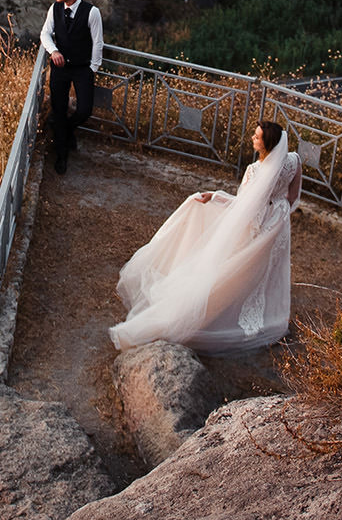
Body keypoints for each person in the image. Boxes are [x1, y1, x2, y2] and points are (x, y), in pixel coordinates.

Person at [109, 117, 303, 353]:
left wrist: (217, 197)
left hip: (260, 222)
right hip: (279, 221)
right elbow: (293, 197)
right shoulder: (294, 161)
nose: (252, 138)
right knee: (273, 266)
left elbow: (243, 205)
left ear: (267, 145)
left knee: (241, 265)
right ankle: (272, 312)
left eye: (257, 136)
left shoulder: (254, 171)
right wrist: (280, 213)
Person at [38, 0, 102, 174]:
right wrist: (53, 50)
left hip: (83, 68)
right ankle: (61, 156)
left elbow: (98, 42)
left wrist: (93, 68)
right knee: (58, 110)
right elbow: (45, 33)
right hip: (60, 69)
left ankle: (67, 130)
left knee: (84, 110)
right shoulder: (54, 8)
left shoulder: (92, 12)